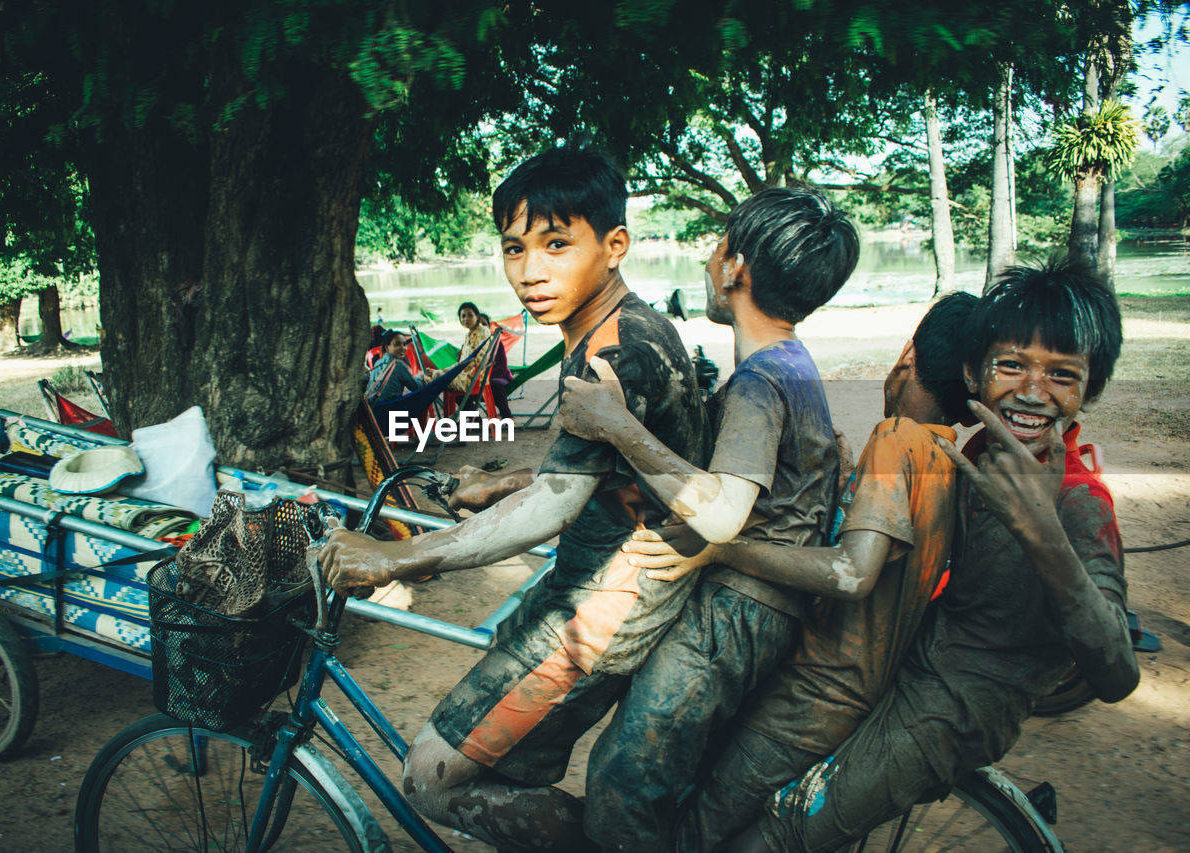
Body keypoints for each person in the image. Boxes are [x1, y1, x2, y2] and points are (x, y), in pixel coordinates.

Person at [319, 148, 711, 850]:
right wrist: (505, 482)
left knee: (434, 776)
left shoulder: (613, 351)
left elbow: (555, 507)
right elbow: (606, 476)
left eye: (557, 244)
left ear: (614, 245)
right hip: (594, 588)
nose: (531, 270)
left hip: (602, 611)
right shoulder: (616, 328)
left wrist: (394, 558)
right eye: (514, 247)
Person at [729, 261, 1138, 851]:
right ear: (974, 373)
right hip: (905, 667)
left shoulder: (1079, 501)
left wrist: (1042, 533)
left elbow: (1118, 674)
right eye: (1012, 366)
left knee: (779, 834)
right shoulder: (976, 449)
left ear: (1089, 389)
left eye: (1062, 375)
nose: (1031, 392)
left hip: (952, 712)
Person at [613, 292, 978, 851]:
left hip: (813, 696)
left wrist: (721, 551)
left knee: (696, 832)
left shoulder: (898, 438)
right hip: (854, 687)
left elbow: (853, 573)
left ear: (907, 356)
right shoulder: (946, 456)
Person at [556, 187, 860, 851]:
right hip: (759, 614)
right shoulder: (789, 366)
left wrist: (617, 424)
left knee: (622, 781)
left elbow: (721, 510)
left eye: (717, 244)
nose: (706, 259)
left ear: (734, 267)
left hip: (734, 614)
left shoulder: (760, 381)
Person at [364, 329, 422, 406]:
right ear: (387, 348)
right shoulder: (398, 364)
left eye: (404, 344)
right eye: (397, 344)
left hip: (374, 408)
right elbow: (415, 387)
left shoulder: (378, 362)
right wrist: (421, 377)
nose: (402, 348)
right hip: (389, 407)